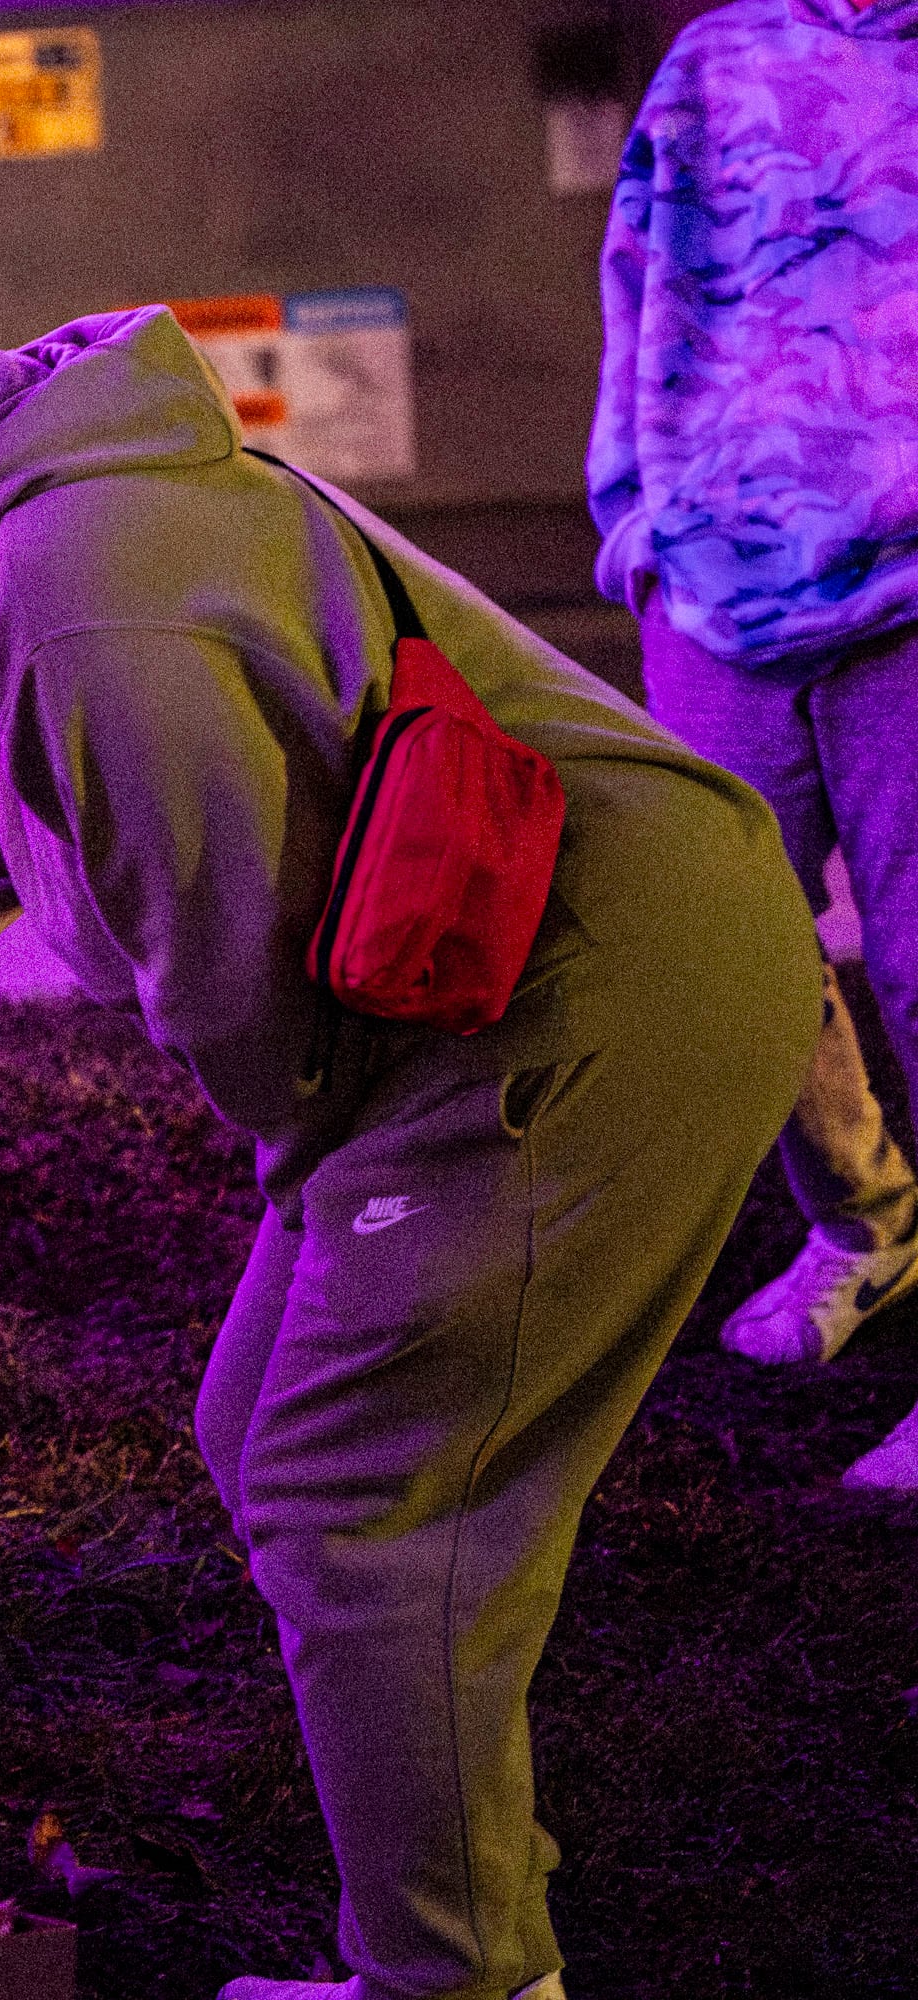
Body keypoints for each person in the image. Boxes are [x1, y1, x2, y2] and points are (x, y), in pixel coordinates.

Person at [0, 99, 819, 2000]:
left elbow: (236, 964)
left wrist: (332, 1172)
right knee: (279, 1437)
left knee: (363, 1502)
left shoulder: (80, 585)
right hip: (483, 997)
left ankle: (464, 1982)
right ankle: (449, 1944)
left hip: (600, 989)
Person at [587, 0, 918, 1487]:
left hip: (912, 590)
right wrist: (636, 521)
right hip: (717, 582)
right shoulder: (722, 57)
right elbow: (638, 274)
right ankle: (866, 1227)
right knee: (730, 943)